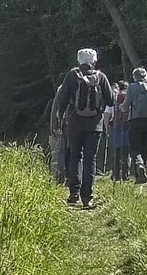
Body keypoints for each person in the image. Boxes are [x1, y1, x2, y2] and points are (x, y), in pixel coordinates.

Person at [46, 46, 118, 208]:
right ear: (94, 61)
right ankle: (87, 196)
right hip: (95, 125)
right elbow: (111, 101)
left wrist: (59, 119)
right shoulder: (101, 77)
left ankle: (74, 192)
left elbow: (63, 99)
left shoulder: (72, 76)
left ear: (79, 60)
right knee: (90, 158)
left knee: (75, 156)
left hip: (74, 123)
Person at [117, 67, 147, 185]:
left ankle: (139, 165)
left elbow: (126, 106)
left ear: (135, 77)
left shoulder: (132, 87)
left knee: (135, 148)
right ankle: (142, 174)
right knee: (145, 148)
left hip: (136, 121)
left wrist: (121, 107)